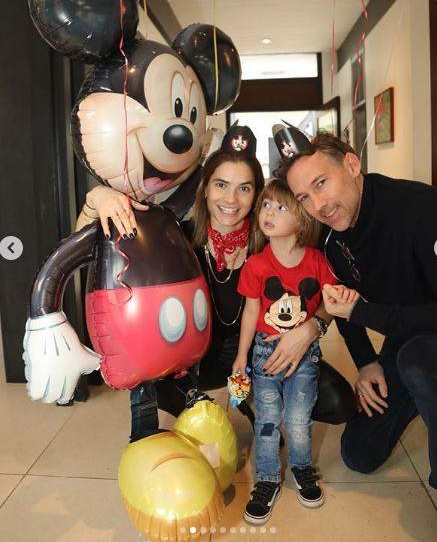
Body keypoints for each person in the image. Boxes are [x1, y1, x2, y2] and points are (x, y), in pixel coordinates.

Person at [78, 125, 355, 441]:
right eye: (221, 185)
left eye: (244, 188)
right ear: (205, 189)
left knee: (338, 402)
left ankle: (260, 399)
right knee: (159, 385)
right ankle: (205, 412)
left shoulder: (276, 238)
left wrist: (310, 329)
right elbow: (86, 247)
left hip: (260, 351)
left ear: (256, 195)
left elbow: (329, 292)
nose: (231, 199)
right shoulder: (175, 237)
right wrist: (96, 199)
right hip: (194, 360)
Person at [277, 127, 437, 490]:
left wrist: (363, 314)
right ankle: (420, 390)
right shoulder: (328, 235)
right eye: (304, 197)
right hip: (407, 338)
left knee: (417, 361)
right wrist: (366, 362)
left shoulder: (420, 208)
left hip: (422, 342)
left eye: (321, 183)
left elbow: (355, 312)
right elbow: (340, 300)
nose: (318, 206)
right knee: (359, 453)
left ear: (351, 165)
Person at [233, 178, 357, 524]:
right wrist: (242, 356)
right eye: (265, 205)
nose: (268, 213)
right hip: (264, 355)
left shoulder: (318, 261)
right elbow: (251, 312)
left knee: (298, 419)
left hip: (305, 357)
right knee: (268, 420)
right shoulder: (256, 265)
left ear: (302, 218)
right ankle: (267, 479)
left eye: (280, 207)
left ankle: (301, 467)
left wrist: (344, 296)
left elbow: (332, 300)